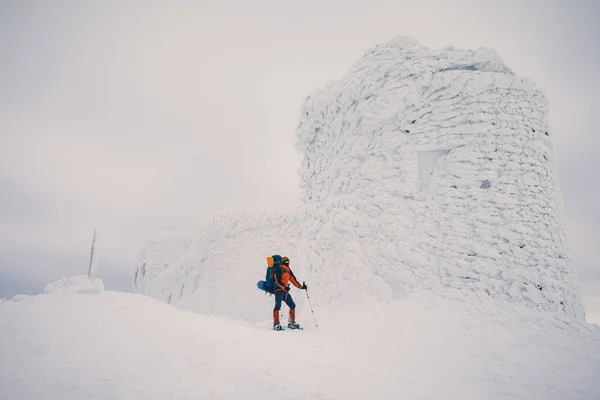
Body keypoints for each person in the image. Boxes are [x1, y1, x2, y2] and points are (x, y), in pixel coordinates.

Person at [271, 255, 307, 330]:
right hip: (278, 290)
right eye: (286, 262)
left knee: (292, 305)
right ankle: (276, 324)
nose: (287, 263)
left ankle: (291, 322)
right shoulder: (278, 269)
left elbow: (293, 280)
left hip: (284, 291)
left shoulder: (288, 270)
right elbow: (278, 280)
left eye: (288, 262)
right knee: (278, 306)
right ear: (282, 262)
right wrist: (284, 287)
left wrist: (301, 287)